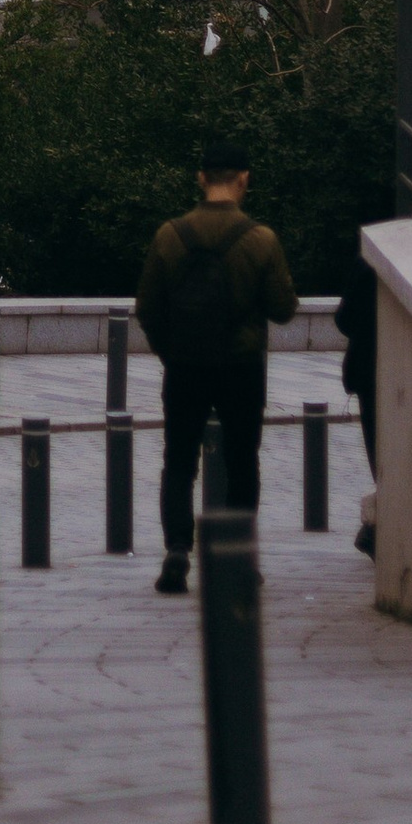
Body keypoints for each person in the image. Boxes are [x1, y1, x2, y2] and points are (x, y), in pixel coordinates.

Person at [133, 153, 298, 595]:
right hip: (241, 367)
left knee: (179, 461)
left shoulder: (170, 235)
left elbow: (147, 308)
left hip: (185, 366)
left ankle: (177, 550)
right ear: (244, 179)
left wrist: (170, 353)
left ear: (200, 178)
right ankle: (237, 556)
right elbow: (283, 309)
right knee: (243, 460)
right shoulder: (261, 239)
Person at [333, 255, 378, 560]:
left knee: (380, 454)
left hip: (369, 372)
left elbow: (343, 319)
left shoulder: (367, 265)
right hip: (389, 372)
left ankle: (377, 530)